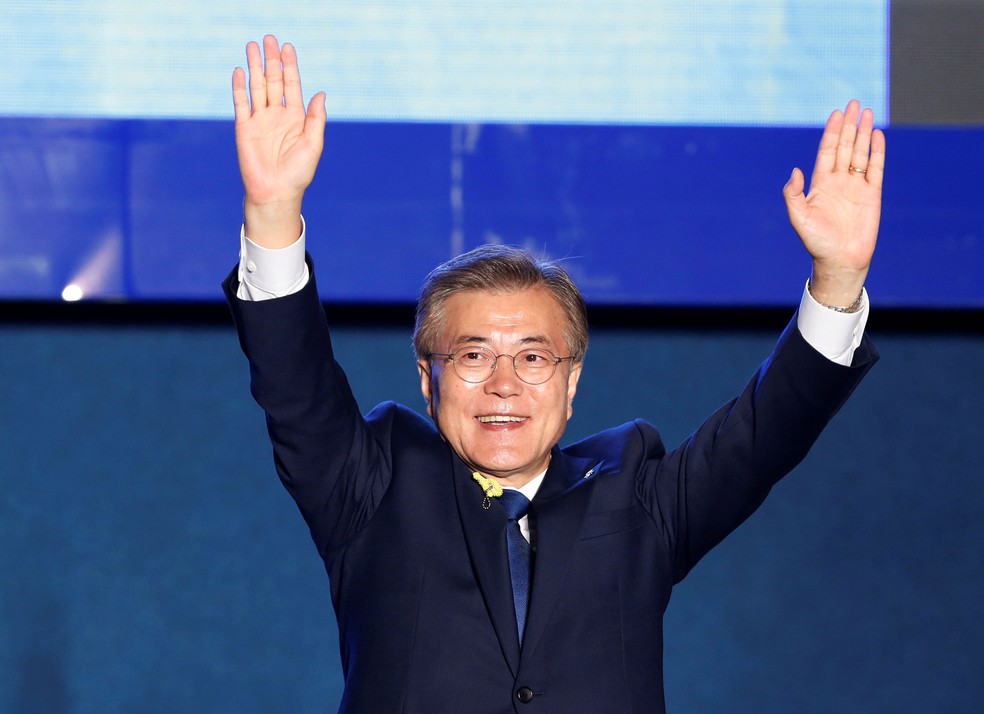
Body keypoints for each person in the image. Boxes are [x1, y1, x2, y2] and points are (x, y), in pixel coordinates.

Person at [223, 35, 884, 713]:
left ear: (570, 385)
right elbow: (294, 384)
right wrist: (273, 214)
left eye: (534, 357)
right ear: (428, 378)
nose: (504, 383)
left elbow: (766, 433)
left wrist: (837, 279)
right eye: (474, 355)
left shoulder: (637, 498)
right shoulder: (372, 485)